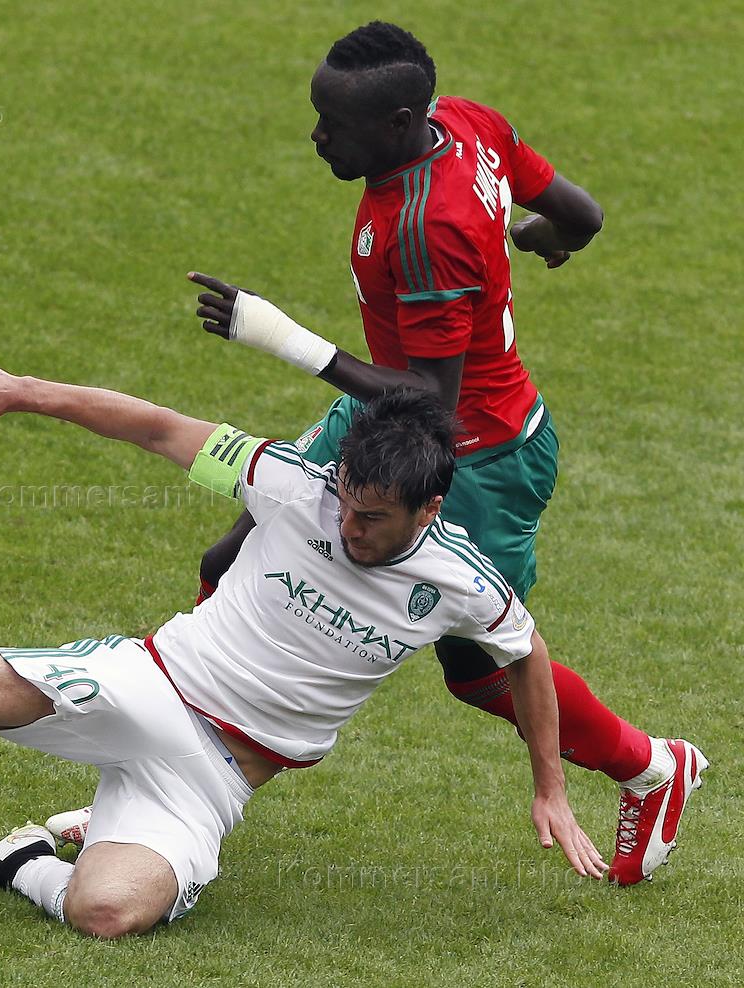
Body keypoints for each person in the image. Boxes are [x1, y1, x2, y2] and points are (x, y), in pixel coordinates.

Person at [0, 348, 623, 939]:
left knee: (106, 916)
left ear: (429, 510)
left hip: (216, 780)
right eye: (346, 502)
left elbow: (526, 654)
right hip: (151, 684)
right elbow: (157, 427)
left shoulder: (463, 582)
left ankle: (17, 861)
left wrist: (549, 783)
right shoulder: (293, 482)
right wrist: (24, 391)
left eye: (372, 519)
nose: (348, 526)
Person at [173, 20, 700, 886]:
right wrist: (543, 237)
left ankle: (651, 767)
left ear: (397, 123)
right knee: (226, 561)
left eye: (334, 125)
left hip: (472, 458)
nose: (316, 137)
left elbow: (434, 405)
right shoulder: (465, 119)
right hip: (385, 416)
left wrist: (278, 336)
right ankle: (169, 761)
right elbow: (583, 216)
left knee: (479, 668)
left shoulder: (428, 227)